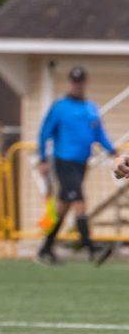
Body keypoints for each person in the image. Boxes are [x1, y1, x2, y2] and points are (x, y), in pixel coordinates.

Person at [36, 67, 115, 266]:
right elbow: (45, 133)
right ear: (70, 82)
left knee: (64, 206)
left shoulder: (90, 108)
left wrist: (113, 151)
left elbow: (99, 134)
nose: (77, 85)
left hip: (81, 163)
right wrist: (43, 158)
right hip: (64, 161)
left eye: (80, 81)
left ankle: (46, 248)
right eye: (74, 81)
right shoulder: (60, 107)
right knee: (79, 201)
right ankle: (90, 246)